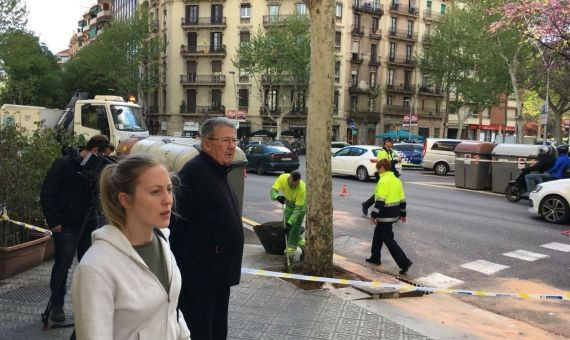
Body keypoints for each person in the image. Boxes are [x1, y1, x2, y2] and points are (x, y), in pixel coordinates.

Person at [71, 155, 190, 339]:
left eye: (169, 189)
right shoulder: (95, 268)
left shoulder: (163, 241)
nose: (168, 200)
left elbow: (171, 309)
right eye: (155, 192)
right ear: (125, 200)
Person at [170, 117, 244, 340]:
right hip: (199, 279)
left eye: (234, 140)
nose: (232, 146)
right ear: (207, 143)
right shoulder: (193, 173)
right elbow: (176, 227)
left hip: (218, 276)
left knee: (217, 330)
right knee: (200, 332)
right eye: (225, 140)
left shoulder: (218, 170)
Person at [40, 134, 110, 322]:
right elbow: (48, 192)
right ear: (95, 151)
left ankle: (89, 306)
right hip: (66, 224)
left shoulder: (94, 170)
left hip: (88, 223)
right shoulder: (64, 164)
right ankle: (57, 306)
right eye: (102, 156)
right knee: (63, 264)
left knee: (91, 266)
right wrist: (54, 221)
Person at [366, 159, 413, 275]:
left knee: (388, 239)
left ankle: (404, 262)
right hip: (394, 213)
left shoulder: (383, 181)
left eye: (378, 169)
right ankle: (375, 257)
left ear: (382, 167)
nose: (378, 171)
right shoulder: (397, 181)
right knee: (378, 235)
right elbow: (402, 200)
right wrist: (403, 214)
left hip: (384, 215)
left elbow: (380, 200)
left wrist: (373, 215)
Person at [270, 171, 306, 262]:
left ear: (298, 181)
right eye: (291, 184)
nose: (293, 186)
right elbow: (273, 191)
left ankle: (289, 256)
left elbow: (297, 210)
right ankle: (304, 246)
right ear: (289, 178)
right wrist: (277, 197)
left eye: (295, 184)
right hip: (289, 206)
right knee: (285, 227)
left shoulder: (302, 188)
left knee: (293, 230)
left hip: (300, 209)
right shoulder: (282, 178)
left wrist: (290, 223)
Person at [361, 137, 402, 216]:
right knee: (380, 194)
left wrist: (396, 166)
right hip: (383, 176)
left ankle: (367, 205)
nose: (392, 143)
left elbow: (390, 164)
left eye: (392, 142)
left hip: (389, 175)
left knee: (389, 193)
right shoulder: (382, 152)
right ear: (386, 142)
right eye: (391, 142)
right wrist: (397, 160)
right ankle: (368, 206)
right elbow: (385, 164)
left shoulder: (389, 151)